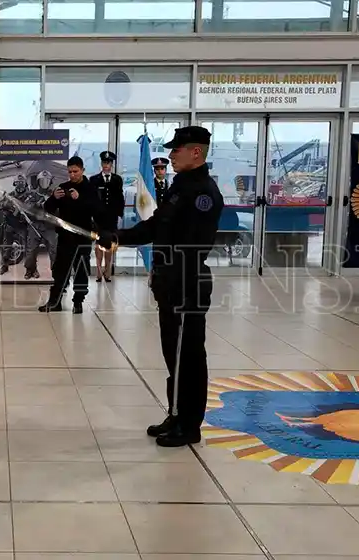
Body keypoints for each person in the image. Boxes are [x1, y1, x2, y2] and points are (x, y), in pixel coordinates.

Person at [97, 126, 223, 447]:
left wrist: (169, 274)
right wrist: (119, 237)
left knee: (188, 357)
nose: (171, 155)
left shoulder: (203, 193)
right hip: (170, 284)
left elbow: (193, 246)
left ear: (196, 152)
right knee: (173, 354)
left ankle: (189, 425)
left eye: (177, 150)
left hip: (186, 285)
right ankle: (176, 413)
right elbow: (156, 226)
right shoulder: (181, 186)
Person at [39, 156, 97, 314]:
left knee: (81, 270)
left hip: (83, 237)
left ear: (82, 170)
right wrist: (53, 198)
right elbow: (48, 209)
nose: (72, 175)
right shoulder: (63, 187)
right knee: (60, 270)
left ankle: (78, 302)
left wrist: (79, 199)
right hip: (65, 237)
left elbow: (96, 210)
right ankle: (55, 302)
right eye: (70, 172)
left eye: (75, 171)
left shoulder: (90, 188)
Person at [89, 151, 124, 282]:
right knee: (98, 243)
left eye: (108, 162)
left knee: (109, 243)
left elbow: (120, 197)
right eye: (104, 162)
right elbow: (92, 199)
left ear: (112, 164)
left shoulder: (117, 179)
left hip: (111, 217)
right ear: (101, 163)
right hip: (98, 218)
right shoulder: (94, 179)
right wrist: (92, 214)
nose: (106, 165)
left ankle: (107, 269)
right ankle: (99, 270)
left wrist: (120, 213)